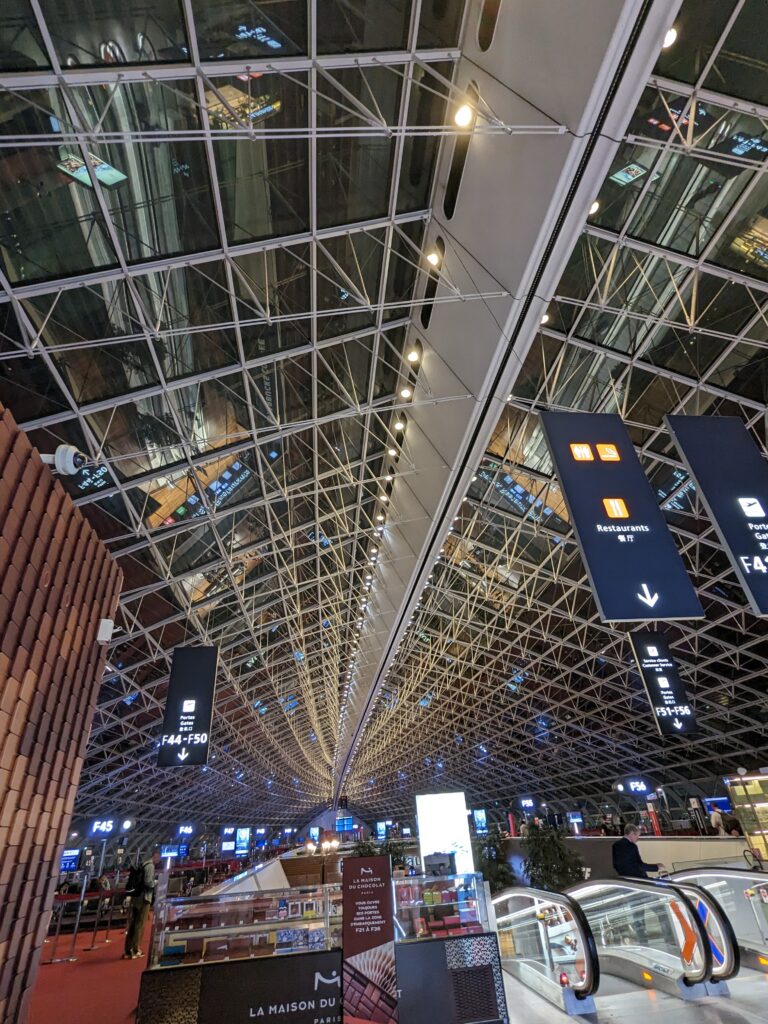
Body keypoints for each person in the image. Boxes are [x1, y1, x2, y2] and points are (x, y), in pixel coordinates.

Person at [123, 849, 161, 960]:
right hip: (144, 898)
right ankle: (136, 949)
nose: (159, 860)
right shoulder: (150, 866)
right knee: (140, 924)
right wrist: (156, 882)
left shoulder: (143, 864)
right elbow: (148, 883)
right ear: (155, 855)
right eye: (158, 857)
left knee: (133, 923)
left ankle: (128, 949)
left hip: (136, 897)